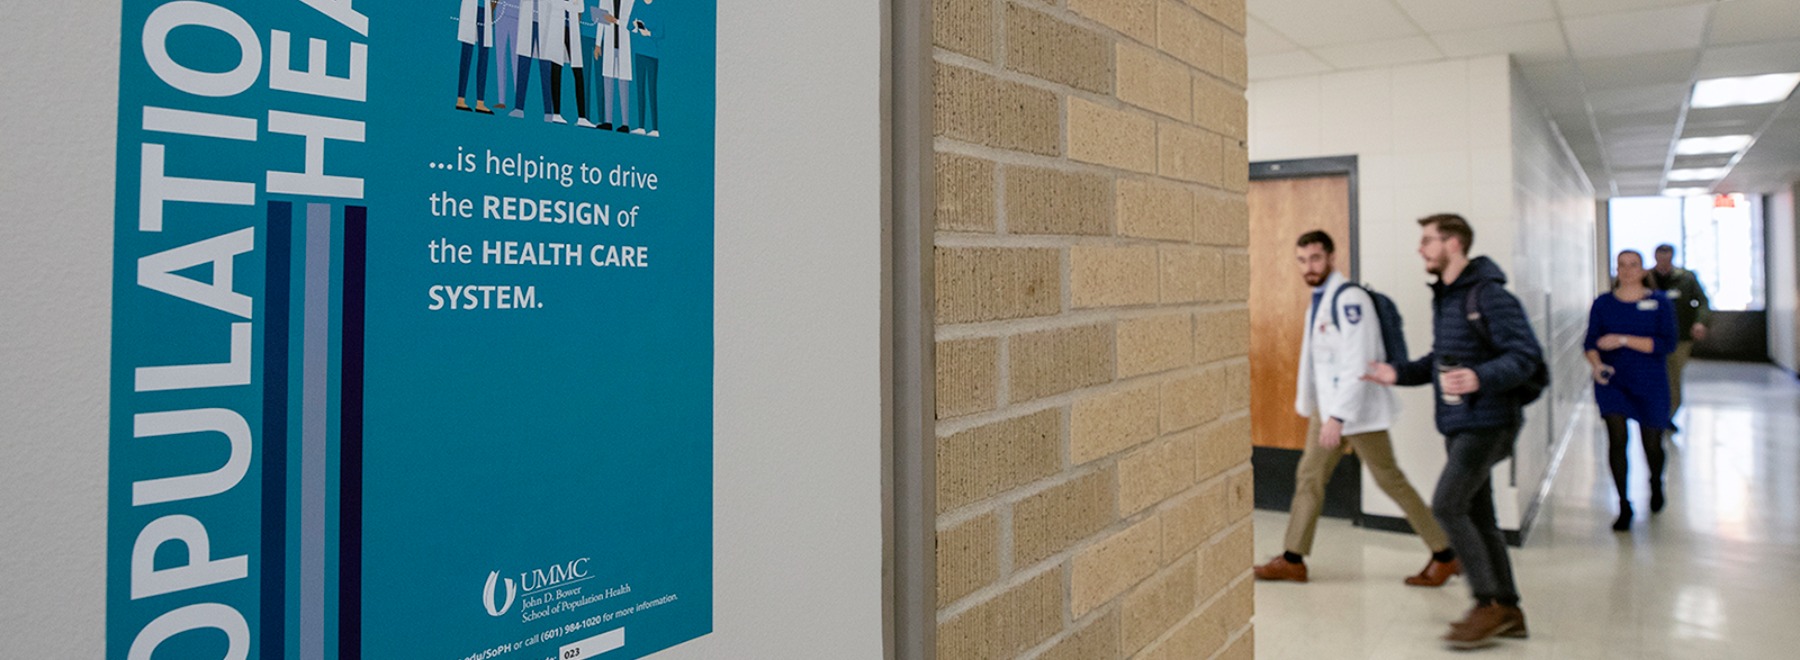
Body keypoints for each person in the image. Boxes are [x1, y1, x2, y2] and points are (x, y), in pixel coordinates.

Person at [1365, 214, 1546, 650]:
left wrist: (1479, 377)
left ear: (1454, 244)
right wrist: (1398, 373)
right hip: (1460, 423)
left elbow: (1527, 357)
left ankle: (1487, 604)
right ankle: (1509, 609)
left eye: (1428, 241)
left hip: (1489, 422)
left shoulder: (1490, 296)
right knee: (1479, 516)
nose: (1420, 249)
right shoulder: (1448, 297)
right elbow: (1440, 360)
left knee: (1446, 505)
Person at [1253, 230, 1460, 588]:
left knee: (1388, 479)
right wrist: (1320, 410)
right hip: (1329, 408)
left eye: (1316, 258)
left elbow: (1358, 362)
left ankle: (1445, 554)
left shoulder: (1349, 300)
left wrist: (1339, 416)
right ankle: (1292, 559)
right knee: (1309, 477)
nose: (1309, 267)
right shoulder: (1319, 299)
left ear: (1332, 257)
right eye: (1302, 260)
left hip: (1354, 410)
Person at [1586, 250, 1678, 531]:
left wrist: (1623, 339)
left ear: (1642, 270)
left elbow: (1667, 344)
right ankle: (1624, 504)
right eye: (1622, 266)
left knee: (1652, 443)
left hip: (1649, 381)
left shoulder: (1659, 303)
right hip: (1613, 382)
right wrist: (1597, 365)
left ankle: (1655, 481)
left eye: (1633, 266)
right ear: (1617, 269)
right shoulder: (1603, 304)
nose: (1627, 271)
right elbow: (1590, 342)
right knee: (1617, 438)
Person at [1650, 244, 1711, 419]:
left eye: (1666, 257)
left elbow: (1702, 302)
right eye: (1660, 257)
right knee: (1655, 376)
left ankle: (1668, 415)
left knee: (1673, 376)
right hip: (1651, 337)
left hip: (1680, 336)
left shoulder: (1686, 278)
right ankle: (1655, 413)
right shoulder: (1647, 278)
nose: (1663, 261)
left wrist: (1700, 322)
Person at [595, 0, 636, 132]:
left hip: (623, 43)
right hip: (609, 42)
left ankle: (625, 123)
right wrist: (597, 44)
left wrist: (615, 20)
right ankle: (608, 121)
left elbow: (630, 21)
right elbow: (601, 19)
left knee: (623, 82)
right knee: (608, 80)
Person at [456, 0, 498, 114]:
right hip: (470, 9)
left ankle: (480, 102)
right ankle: (460, 99)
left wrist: (493, 9)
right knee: (467, 52)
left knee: (484, 55)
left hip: (485, 10)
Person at [629, 0, 663, 137]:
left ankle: (655, 128)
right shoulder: (637, 3)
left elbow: (661, 32)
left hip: (652, 54)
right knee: (640, 90)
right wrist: (635, 26)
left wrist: (649, 33)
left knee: (652, 91)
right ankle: (641, 126)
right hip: (639, 52)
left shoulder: (658, 6)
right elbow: (629, 24)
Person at [491, 0, 521, 110]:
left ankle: (518, 100)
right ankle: (501, 100)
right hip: (502, 14)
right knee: (500, 57)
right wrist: (491, 11)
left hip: (516, 15)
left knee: (515, 59)